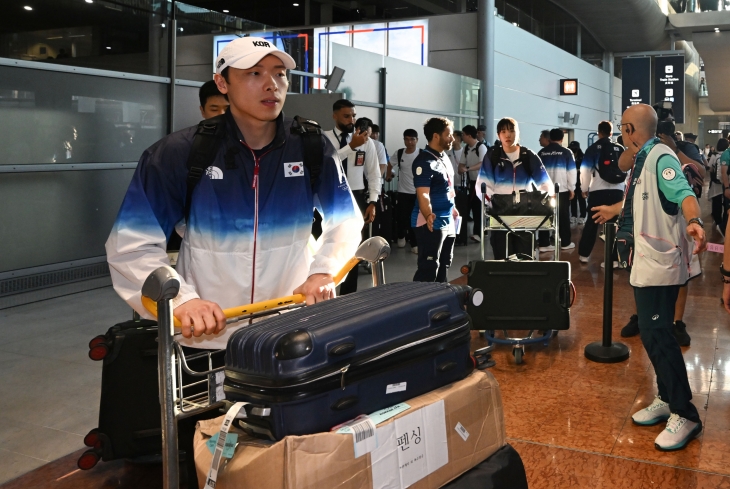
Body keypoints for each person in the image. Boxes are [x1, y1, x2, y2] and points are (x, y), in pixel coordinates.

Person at [106, 37, 363, 349]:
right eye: (254, 73)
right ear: (222, 83)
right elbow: (132, 245)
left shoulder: (310, 146)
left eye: (279, 73)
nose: (271, 84)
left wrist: (323, 272)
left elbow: (346, 221)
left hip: (290, 328)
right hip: (205, 332)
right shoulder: (181, 152)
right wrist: (183, 301)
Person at [613, 103, 706, 452]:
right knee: (653, 337)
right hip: (645, 264)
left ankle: (686, 414)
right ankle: (667, 398)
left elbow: (683, 193)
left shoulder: (661, 157)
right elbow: (641, 202)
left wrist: (695, 222)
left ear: (629, 130)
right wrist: (614, 210)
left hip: (661, 266)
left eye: (624, 128)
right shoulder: (642, 159)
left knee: (658, 336)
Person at [323, 101, 382, 295]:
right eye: (346, 116)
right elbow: (326, 164)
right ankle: (324, 291)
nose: (352, 120)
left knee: (353, 247)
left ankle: (348, 295)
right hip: (329, 196)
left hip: (356, 197)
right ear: (335, 116)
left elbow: (374, 174)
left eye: (353, 116)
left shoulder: (367, 142)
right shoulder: (324, 138)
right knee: (325, 246)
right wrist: (350, 147)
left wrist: (372, 201)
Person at [477, 117, 553, 260]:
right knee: (502, 259)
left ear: (517, 133)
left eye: (512, 131)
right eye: (504, 131)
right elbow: (482, 185)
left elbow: (545, 183)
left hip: (525, 216)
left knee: (525, 259)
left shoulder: (528, 155)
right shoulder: (492, 156)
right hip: (499, 217)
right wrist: (492, 202)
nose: (508, 135)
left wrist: (541, 202)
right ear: (498, 134)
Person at [412, 117, 458, 282]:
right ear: (436, 136)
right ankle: (418, 306)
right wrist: (428, 214)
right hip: (430, 222)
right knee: (429, 268)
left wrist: (453, 209)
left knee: (445, 264)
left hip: (448, 221)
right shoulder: (424, 161)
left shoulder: (444, 157)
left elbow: (448, 187)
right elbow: (423, 193)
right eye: (449, 135)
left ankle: (440, 304)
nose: (452, 138)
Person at [578, 121, 626, 266]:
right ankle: (614, 259)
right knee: (615, 225)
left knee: (592, 224)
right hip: (618, 191)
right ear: (611, 133)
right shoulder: (619, 148)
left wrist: (584, 188)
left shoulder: (593, 148)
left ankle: (584, 255)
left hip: (598, 191)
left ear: (599, 132)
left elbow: (585, 170)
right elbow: (627, 170)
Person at [537, 128, 576, 251]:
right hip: (561, 190)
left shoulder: (541, 153)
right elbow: (571, 172)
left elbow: (536, 172)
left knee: (545, 216)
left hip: (544, 191)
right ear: (562, 139)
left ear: (549, 138)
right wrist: (572, 188)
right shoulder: (566, 152)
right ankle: (565, 242)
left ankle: (544, 244)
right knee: (563, 217)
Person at [386, 129, 420, 253]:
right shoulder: (400, 153)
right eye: (406, 139)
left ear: (417, 140)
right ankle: (401, 236)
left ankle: (414, 243)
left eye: (412, 139)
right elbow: (389, 164)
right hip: (403, 191)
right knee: (402, 217)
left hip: (418, 192)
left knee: (415, 218)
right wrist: (389, 175)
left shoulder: (421, 154)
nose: (409, 142)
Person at [459, 125, 488, 243]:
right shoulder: (466, 148)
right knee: (468, 207)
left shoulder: (481, 147)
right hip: (471, 182)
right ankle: (465, 233)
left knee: (478, 208)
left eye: (463, 134)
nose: (462, 137)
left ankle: (479, 233)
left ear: (469, 135)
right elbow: (461, 163)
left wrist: (468, 168)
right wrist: (461, 168)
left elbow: (483, 163)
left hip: (481, 183)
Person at [707, 139, 727, 236]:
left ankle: (718, 221)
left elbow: (710, 168)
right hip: (726, 183)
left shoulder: (714, 155)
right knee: (726, 203)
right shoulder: (727, 155)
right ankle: (725, 223)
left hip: (716, 184)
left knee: (717, 202)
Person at [568, 140, 587, 225]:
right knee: (573, 199)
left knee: (582, 199)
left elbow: (585, 169)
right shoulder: (569, 157)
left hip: (581, 181)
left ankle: (583, 216)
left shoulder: (582, 157)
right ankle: (574, 215)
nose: (573, 150)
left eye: (574, 148)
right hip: (572, 181)